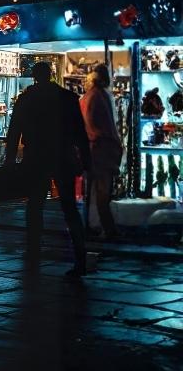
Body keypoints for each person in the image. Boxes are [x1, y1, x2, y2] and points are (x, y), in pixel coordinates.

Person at [5, 61, 92, 277]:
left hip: (37, 157)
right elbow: (80, 133)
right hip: (63, 156)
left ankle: (33, 249)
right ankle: (80, 257)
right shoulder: (67, 98)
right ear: (51, 75)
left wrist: (9, 161)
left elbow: (14, 131)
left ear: (34, 76)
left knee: (35, 205)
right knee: (69, 209)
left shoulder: (26, 99)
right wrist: (86, 160)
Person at [79, 64, 122, 240]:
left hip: (97, 149)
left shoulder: (93, 96)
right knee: (102, 193)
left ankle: (97, 227)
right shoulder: (99, 96)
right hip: (101, 150)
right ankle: (107, 229)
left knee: (94, 192)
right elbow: (99, 126)